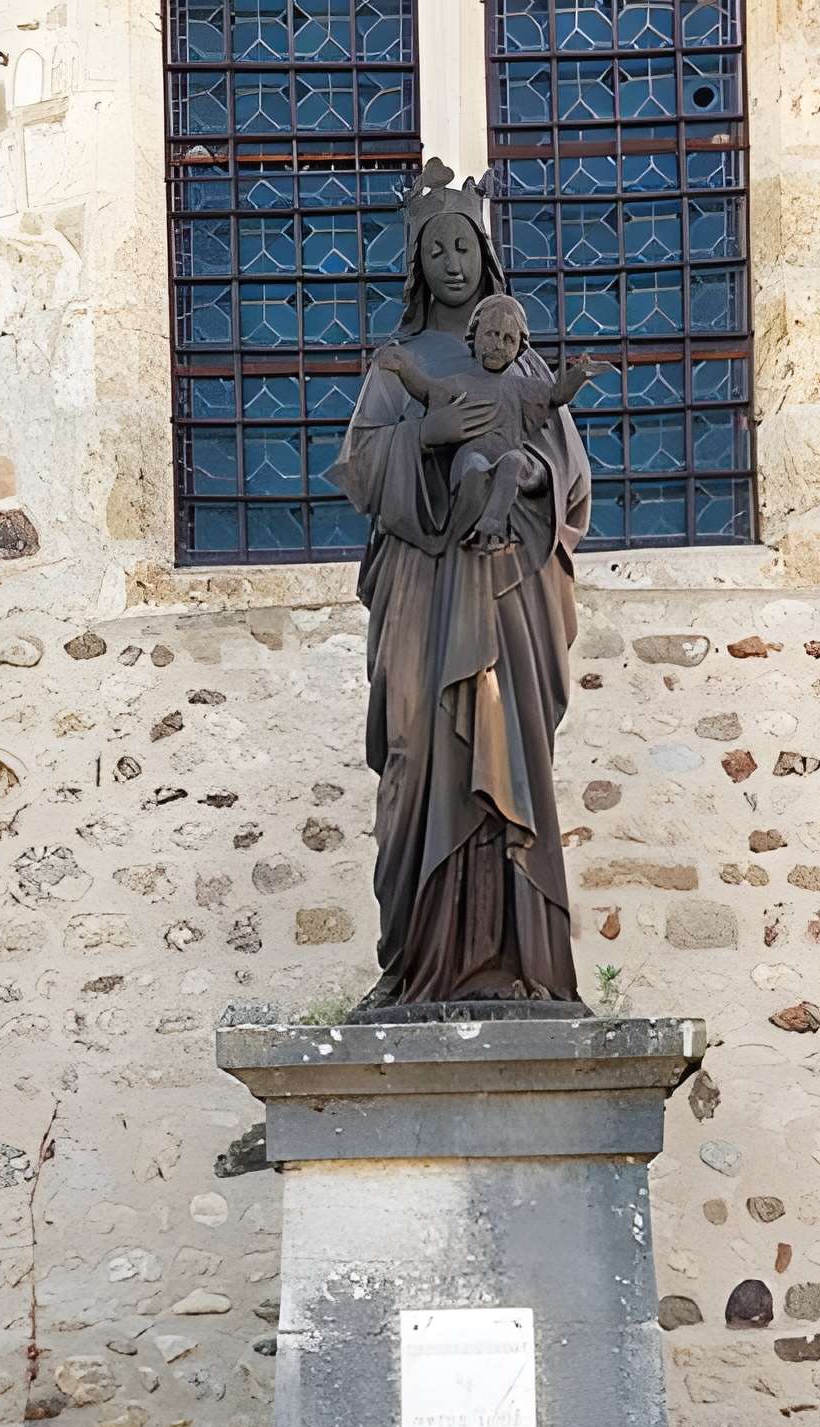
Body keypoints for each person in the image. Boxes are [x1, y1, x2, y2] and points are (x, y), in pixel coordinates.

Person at [329, 162, 592, 1006]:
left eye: (464, 245)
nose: (451, 261)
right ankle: (415, 962)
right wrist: (428, 434)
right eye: (436, 247)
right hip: (423, 585)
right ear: (418, 262)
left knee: (509, 746)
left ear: (486, 256)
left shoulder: (522, 363)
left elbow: (569, 470)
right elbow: (362, 467)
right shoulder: (397, 364)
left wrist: (526, 479)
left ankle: (519, 962)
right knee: (417, 746)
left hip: (508, 584)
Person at [376, 295, 598, 555]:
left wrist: (580, 375)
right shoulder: (461, 383)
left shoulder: (522, 387)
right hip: (473, 456)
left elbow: (557, 394)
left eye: (508, 339)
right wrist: (404, 368)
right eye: (491, 334)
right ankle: (454, 534)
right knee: (475, 469)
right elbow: (426, 389)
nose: (498, 345)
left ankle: (491, 526)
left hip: (514, 460)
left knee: (513, 461)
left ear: (519, 348)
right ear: (474, 336)